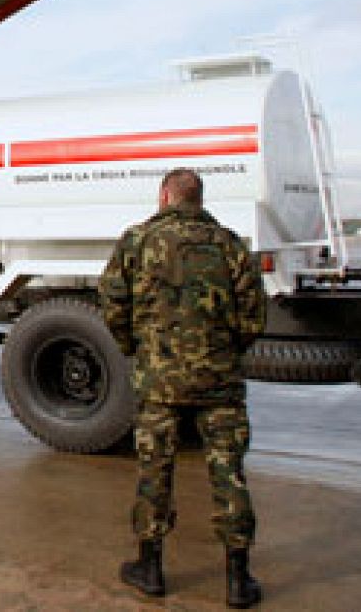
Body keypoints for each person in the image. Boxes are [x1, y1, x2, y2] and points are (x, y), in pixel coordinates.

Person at [100, 168, 265, 609]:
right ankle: (237, 578)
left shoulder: (137, 241)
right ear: (198, 198)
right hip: (220, 382)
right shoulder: (229, 244)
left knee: (155, 471)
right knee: (228, 473)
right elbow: (253, 316)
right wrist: (225, 351)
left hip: (159, 381)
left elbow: (112, 302)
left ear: (165, 196)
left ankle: (150, 569)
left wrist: (135, 347)